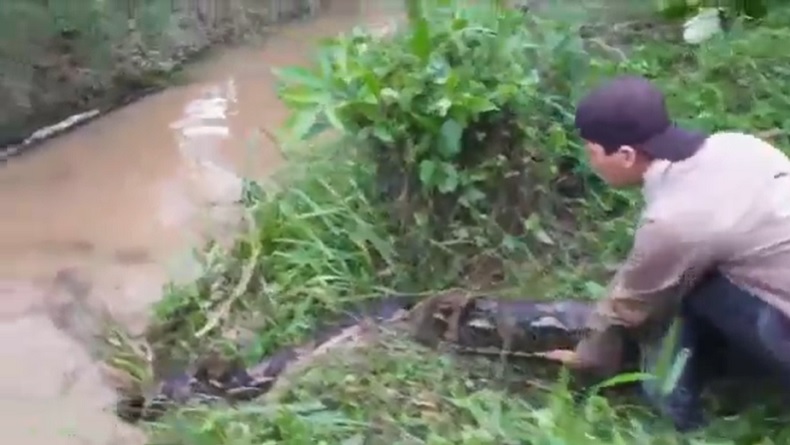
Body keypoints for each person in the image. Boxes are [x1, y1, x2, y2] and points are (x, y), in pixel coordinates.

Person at [538, 75, 790, 432]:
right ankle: (732, 367)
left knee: (675, 291)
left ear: (626, 155)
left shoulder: (674, 222)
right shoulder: (736, 145)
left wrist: (588, 358)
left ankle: (680, 414)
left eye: (592, 152)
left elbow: (631, 306)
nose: (590, 161)